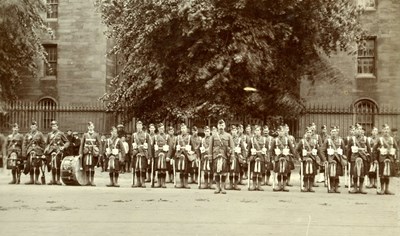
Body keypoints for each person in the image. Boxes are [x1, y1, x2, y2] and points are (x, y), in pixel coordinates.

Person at [209, 119, 234, 194]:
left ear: (225, 126)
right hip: (216, 155)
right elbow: (210, 147)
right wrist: (210, 157)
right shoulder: (213, 136)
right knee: (216, 172)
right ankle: (217, 187)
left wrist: (232, 156)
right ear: (217, 126)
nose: (221, 127)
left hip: (224, 156)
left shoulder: (228, 136)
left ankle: (222, 187)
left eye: (222, 125)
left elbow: (232, 147)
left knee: (224, 172)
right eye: (220, 125)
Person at [320, 126, 347, 193]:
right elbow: (322, 151)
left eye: (335, 132)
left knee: (337, 174)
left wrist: (343, 157)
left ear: (337, 133)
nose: (334, 133)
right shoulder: (327, 141)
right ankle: (331, 187)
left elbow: (344, 151)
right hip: (330, 160)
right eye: (332, 132)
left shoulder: (341, 141)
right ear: (330, 133)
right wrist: (325, 159)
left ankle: (336, 187)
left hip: (338, 159)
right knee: (331, 174)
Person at [373, 124, 398, 195]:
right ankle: (382, 189)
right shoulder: (379, 139)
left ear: (389, 131)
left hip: (390, 158)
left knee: (388, 174)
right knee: (382, 174)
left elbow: (397, 149)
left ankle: (387, 189)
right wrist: (375, 158)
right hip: (382, 158)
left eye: (387, 129)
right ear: (382, 131)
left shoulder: (392, 139)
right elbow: (374, 150)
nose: (386, 131)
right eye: (384, 129)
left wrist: (396, 158)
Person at [270, 125, 296, 192]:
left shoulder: (287, 139)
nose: (281, 132)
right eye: (279, 131)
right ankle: (279, 185)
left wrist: (294, 156)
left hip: (286, 157)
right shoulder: (275, 140)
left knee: (285, 172)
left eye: (282, 131)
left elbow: (292, 149)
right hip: (277, 158)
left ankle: (284, 186)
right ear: (278, 132)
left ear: (284, 131)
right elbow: (271, 150)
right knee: (279, 172)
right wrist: (272, 157)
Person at [347, 124, 371, 194]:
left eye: (360, 129)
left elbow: (369, 149)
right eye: (357, 129)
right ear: (355, 131)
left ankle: (361, 187)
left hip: (363, 157)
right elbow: (348, 150)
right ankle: (354, 187)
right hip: (354, 157)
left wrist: (369, 158)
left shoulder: (365, 139)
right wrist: (348, 159)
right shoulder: (352, 139)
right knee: (354, 172)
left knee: (362, 173)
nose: (359, 131)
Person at [296, 127, 321, 192]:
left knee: (312, 174)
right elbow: (297, 150)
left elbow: (319, 151)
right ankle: (306, 187)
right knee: (306, 174)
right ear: (305, 133)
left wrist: (317, 157)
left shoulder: (315, 141)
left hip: (313, 159)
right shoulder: (302, 141)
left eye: (310, 132)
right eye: (307, 132)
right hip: (305, 159)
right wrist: (299, 157)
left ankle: (311, 187)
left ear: (312, 133)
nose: (309, 134)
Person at [44, 120, 70, 185]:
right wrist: (47, 148)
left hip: (58, 151)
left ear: (57, 126)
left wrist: (63, 147)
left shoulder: (60, 133)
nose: (54, 127)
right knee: (52, 165)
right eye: (52, 126)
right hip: (51, 151)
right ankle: (53, 179)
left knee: (57, 165)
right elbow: (47, 143)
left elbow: (67, 142)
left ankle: (58, 180)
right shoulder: (49, 134)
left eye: (55, 126)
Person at [22, 121, 46, 185]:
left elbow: (43, 143)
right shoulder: (27, 134)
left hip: (38, 151)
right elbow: (24, 144)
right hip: (30, 151)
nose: (33, 127)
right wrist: (24, 153)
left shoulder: (40, 134)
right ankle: (31, 180)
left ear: (36, 127)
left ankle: (37, 180)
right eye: (32, 126)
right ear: (30, 127)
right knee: (30, 165)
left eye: (34, 126)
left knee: (37, 166)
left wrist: (43, 152)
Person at [79, 121, 101, 186]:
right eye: (89, 127)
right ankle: (88, 181)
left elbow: (100, 144)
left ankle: (92, 181)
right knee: (87, 166)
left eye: (91, 126)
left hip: (93, 153)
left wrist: (99, 152)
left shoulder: (96, 134)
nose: (90, 128)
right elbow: (82, 144)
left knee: (92, 166)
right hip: (86, 152)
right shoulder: (85, 135)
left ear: (93, 127)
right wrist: (80, 153)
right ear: (88, 127)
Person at [174, 123, 195, 189]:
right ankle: (181, 183)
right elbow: (174, 147)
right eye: (182, 128)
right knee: (180, 169)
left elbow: (193, 148)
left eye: (184, 128)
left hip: (187, 155)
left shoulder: (189, 137)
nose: (183, 130)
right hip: (179, 154)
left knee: (186, 169)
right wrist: (176, 147)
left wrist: (190, 149)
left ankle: (186, 183)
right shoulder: (177, 137)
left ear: (187, 129)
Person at [248, 125, 268, 191]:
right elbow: (249, 149)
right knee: (254, 172)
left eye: (259, 130)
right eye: (256, 130)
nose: (257, 132)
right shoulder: (251, 140)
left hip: (261, 156)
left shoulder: (264, 139)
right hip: (254, 156)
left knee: (260, 172)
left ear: (261, 131)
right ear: (254, 131)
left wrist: (266, 157)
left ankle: (259, 185)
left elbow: (267, 149)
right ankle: (253, 185)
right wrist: (248, 157)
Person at [131, 121, 150, 188]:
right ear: (136, 127)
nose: (139, 127)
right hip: (136, 153)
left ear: (142, 126)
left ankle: (143, 182)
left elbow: (149, 146)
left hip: (143, 153)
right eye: (138, 126)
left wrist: (149, 155)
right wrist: (132, 152)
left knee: (143, 168)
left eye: (140, 126)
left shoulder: (146, 135)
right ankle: (138, 182)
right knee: (137, 168)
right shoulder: (134, 135)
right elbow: (131, 145)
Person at [226, 125, 245, 191]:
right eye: (232, 130)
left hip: (237, 156)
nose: (233, 132)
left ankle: (236, 185)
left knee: (237, 171)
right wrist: (229, 150)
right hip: (231, 156)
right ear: (231, 131)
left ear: (237, 131)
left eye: (235, 130)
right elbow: (226, 147)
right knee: (231, 171)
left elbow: (243, 149)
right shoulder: (228, 139)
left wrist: (243, 157)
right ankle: (231, 185)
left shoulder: (240, 139)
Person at [153, 123, 170, 188]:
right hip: (157, 154)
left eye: (162, 128)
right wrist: (153, 155)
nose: (161, 130)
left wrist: (168, 156)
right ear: (158, 129)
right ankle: (158, 182)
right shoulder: (155, 137)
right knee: (158, 169)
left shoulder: (167, 136)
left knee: (163, 169)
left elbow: (170, 147)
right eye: (160, 129)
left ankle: (163, 182)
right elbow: (152, 147)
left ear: (164, 129)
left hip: (165, 154)